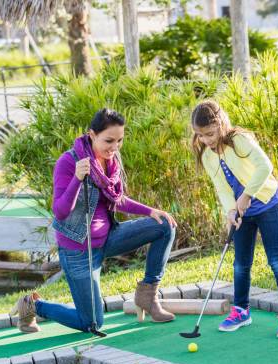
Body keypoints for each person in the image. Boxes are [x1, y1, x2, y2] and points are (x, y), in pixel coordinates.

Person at [11, 108, 177, 334]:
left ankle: (147, 295)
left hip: (108, 238)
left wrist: (150, 211)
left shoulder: (111, 161)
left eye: (119, 140)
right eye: (109, 140)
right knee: (92, 323)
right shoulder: (68, 163)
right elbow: (60, 212)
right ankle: (33, 305)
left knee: (164, 225)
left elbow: (116, 199)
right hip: (78, 251)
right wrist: (78, 178)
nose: (115, 147)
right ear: (92, 134)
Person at [191, 99, 278, 338]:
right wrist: (231, 210)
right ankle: (241, 310)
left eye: (210, 134)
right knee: (241, 263)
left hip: (267, 204)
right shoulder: (207, 156)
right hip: (242, 212)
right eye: (201, 136)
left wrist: (246, 195)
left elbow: (265, 166)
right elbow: (221, 187)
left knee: (276, 260)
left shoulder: (239, 140)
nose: (207, 140)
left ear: (220, 124)